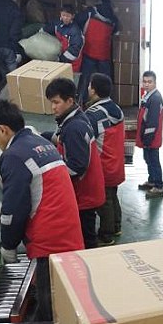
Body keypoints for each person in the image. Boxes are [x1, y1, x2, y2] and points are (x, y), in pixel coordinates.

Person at [0, 99, 84, 321]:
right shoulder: (39, 143)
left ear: (3, 130)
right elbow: (34, 191)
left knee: (51, 308)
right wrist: (1, 210)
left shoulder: (13, 155)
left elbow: (15, 211)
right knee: (63, 295)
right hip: (67, 230)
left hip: (50, 241)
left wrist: (8, 246)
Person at [42, 78, 105, 249]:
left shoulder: (73, 128)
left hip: (84, 194)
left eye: (56, 102)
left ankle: (91, 262)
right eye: (51, 102)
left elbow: (76, 167)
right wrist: (44, 137)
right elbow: (62, 139)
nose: (53, 107)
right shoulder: (76, 117)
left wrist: (51, 176)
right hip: (89, 190)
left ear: (69, 101)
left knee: (86, 238)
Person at [84, 73, 125, 246]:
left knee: (104, 202)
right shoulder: (116, 109)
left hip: (103, 165)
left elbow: (86, 139)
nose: (87, 88)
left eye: (89, 85)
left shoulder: (94, 114)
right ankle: (116, 226)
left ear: (93, 90)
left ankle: (106, 235)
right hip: (116, 162)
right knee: (112, 196)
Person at [76, 0, 120, 105]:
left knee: (85, 79)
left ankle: (82, 102)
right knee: (105, 80)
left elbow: (78, 19)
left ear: (99, 0)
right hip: (104, 55)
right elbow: (116, 30)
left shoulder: (91, 11)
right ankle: (107, 102)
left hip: (89, 51)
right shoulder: (113, 17)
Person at [136, 71, 163, 198]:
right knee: (148, 159)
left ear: (155, 83)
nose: (146, 84)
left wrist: (147, 140)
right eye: (144, 82)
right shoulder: (148, 96)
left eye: (149, 82)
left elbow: (152, 122)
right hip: (147, 137)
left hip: (151, 138)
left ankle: (158, 186)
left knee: (153, 161)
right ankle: (152, 180)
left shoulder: (155, 99)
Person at [44, 4, 84, 72]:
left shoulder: (75, 31)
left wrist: (60, 59)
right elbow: (47, 29)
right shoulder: (57, 24)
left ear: (73, 16)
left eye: (68, 16)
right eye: (63, 15)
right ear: (60, 14)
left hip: (72, 65)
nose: (65, 18)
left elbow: (74, 50)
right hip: (59, 62)